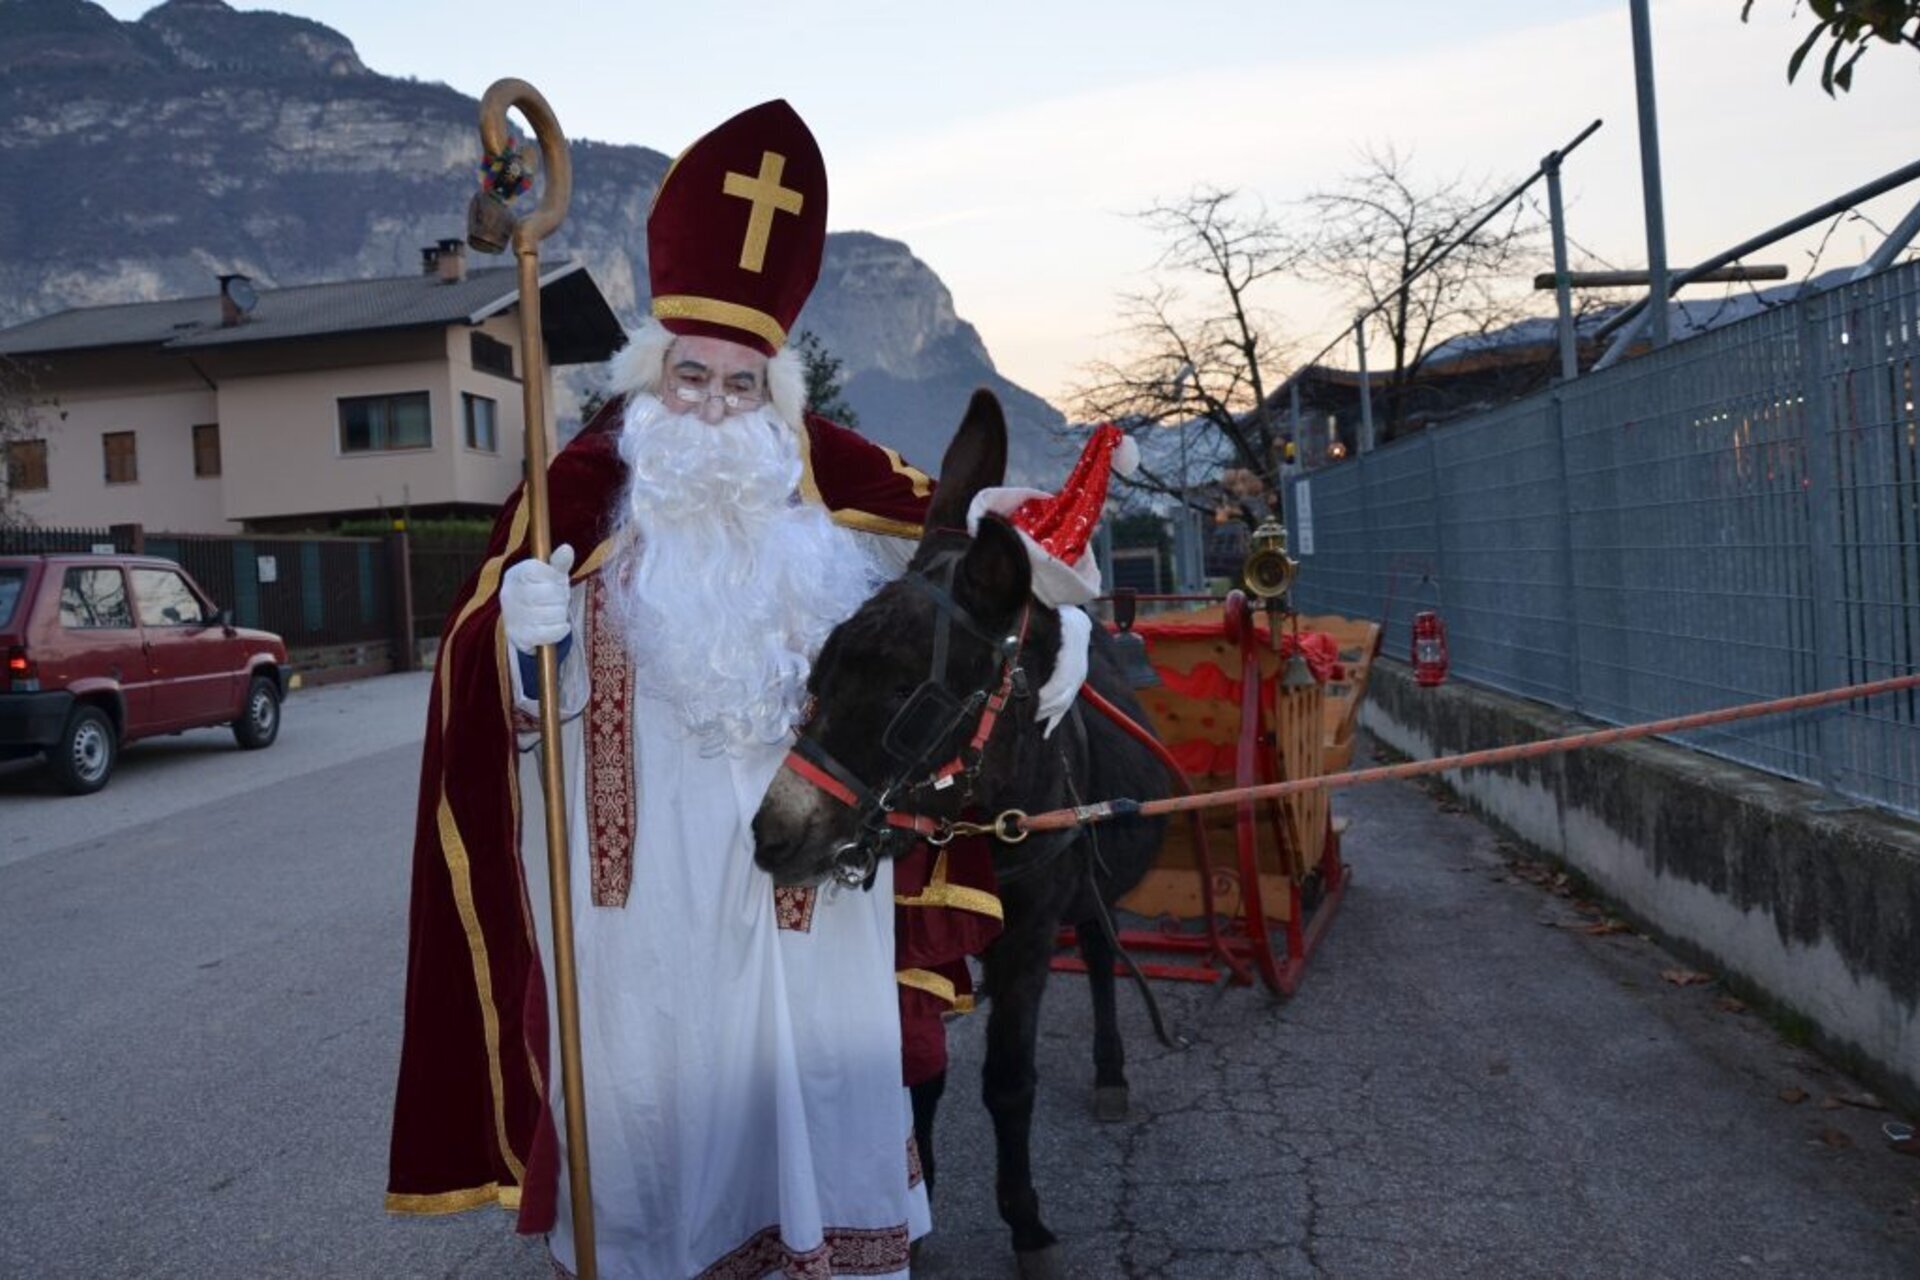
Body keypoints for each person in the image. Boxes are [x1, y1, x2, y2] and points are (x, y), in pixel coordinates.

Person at [385, 100, 1014, 1277]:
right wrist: (526, 648)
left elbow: (949, 574)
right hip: (646, 929)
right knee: (666, 1171)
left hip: (814, 916)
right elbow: (491, 709)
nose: (713, 410)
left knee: (816, 1130)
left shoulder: (821, 518)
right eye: (691, 380)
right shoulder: (573, 504)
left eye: (740, 386)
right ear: (648, 378)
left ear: (777, 402)